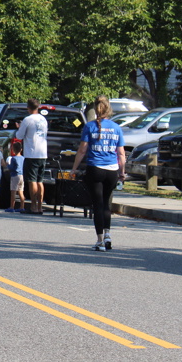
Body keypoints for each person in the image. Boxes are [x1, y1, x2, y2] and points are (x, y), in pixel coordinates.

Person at [70, 96, 126, 251]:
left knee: (98, 205)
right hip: (112, 170)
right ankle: (108, 235)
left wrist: (74, 169)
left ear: (95, 109)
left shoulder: (89, 126)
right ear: (109, 109)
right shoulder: (116, 127)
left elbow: (82, 150)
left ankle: (100, 240)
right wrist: (122, 172)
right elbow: (121, 153)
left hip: (95, 169)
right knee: (107, 204)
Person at [16, 98, 49, 214]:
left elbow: (19, 136)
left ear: (28, 107)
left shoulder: (27, 120)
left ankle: (33, 207)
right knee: (40, 181)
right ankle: (40, 206)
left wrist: (19, 127)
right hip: (43, 153)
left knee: (32, 181)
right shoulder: (43, 119)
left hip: (32, 153)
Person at [5, 141, 26, 213]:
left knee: (13, 192)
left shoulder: (13, 158)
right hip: (22, 176)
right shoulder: (23, 158)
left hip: (15, 176)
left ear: (13, 150)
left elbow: (12, 168)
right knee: (21, 191)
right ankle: (22, 207)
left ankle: (12, 207)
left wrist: (7, 165)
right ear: (21, 149)